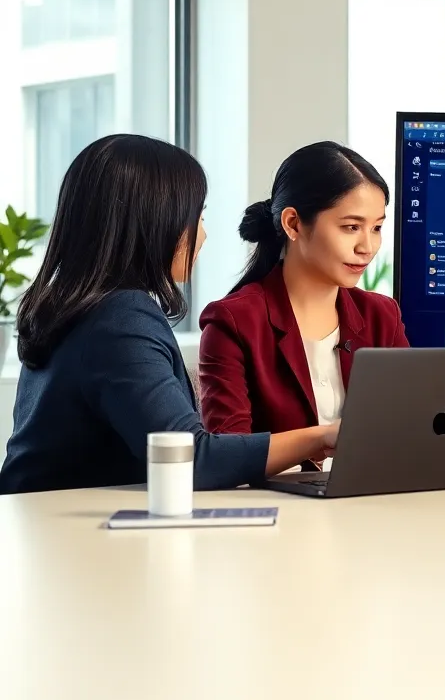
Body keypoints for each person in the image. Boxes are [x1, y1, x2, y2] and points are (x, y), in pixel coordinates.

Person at [0, 135, 339, 494]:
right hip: (66, 536)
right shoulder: (119, 318)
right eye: (198, 217)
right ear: (154, 222)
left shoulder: (73, 307)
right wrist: (323, 436)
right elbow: (189, 460)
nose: (203, 235)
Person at [196, 142, 407, 470]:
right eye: (351, 227)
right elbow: (227, 455)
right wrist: (320, 438)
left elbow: (410, 427)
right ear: (293, 224)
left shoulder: (382, 315)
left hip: (372, 505)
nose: (368, 246)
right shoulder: (233, 321)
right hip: (279, 513)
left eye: (377, 227)